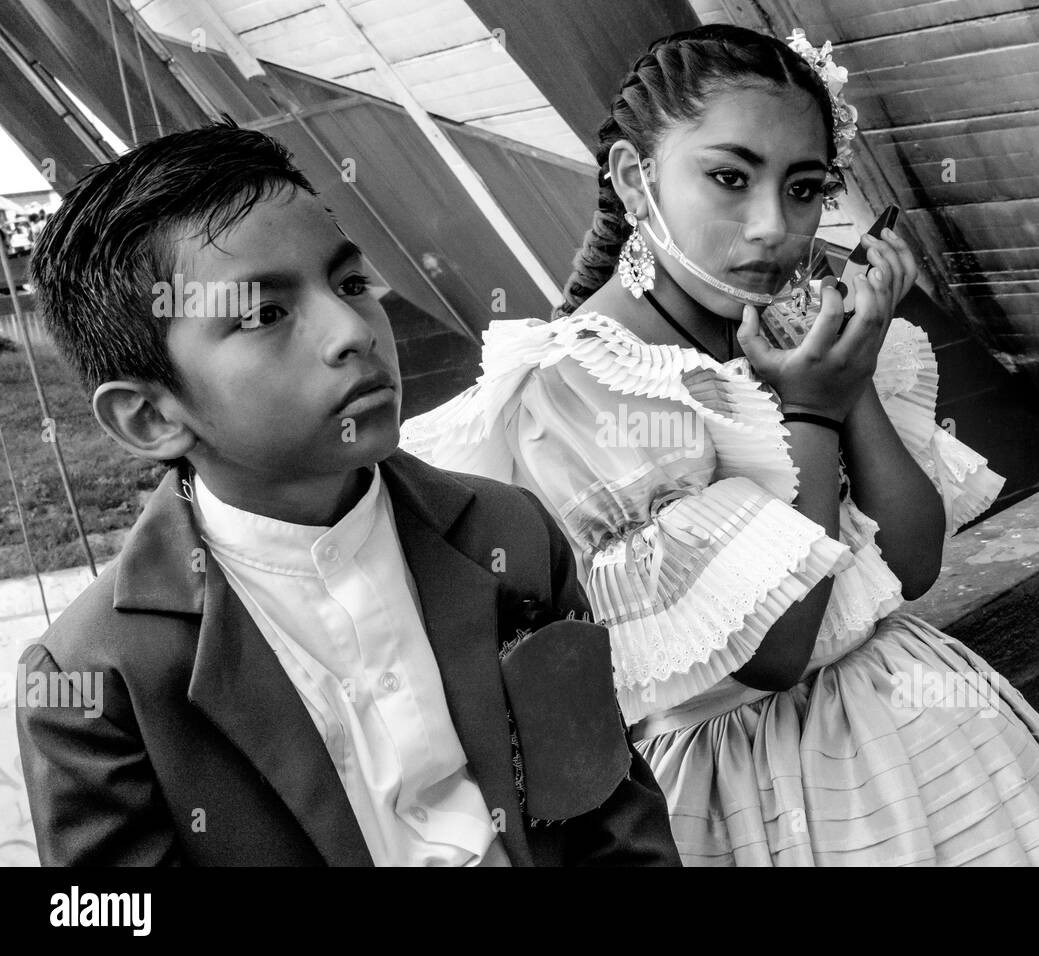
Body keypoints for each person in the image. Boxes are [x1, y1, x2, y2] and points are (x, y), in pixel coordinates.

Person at [402, 24, 1039, 866]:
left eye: (805, 188)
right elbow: (775, 650)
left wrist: (847, 382)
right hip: (756, 792)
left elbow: (913, 563)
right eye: (730, 179)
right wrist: (810, 412)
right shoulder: (578, 386)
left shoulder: (793, 329)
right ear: (636, 179)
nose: (774, 227)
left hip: (930, 749)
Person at [15, 120, 679, 867]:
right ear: (150, 415)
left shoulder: (508, 533)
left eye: (353, 283)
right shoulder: (94, 678)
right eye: (265, 315)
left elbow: (610, 812)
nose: (352, 332)